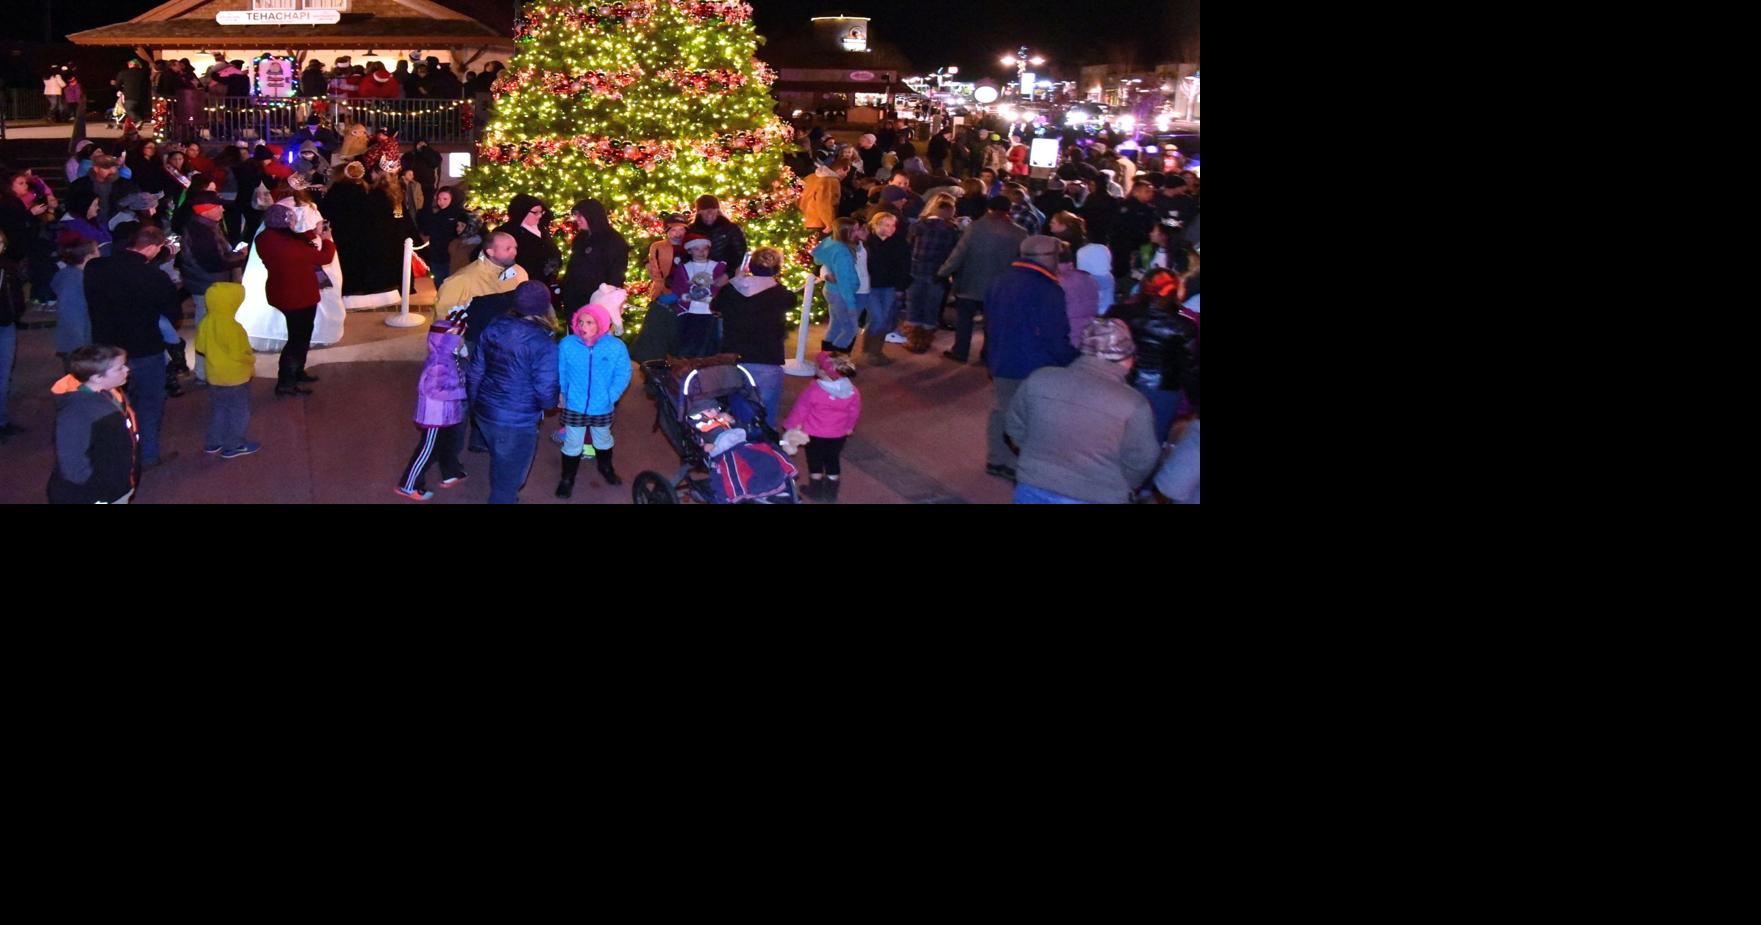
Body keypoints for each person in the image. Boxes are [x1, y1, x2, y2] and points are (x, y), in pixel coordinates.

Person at [1005, 317, 1160, 504]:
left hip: (1032, 486)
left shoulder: (1040, 378)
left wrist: (1037, 460)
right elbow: (1143, 458)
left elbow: (1014, 429)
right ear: (1126, 358)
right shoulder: (1133, 403)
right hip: (1097, 495)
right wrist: (1123, 483)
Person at [982, 235, 1078, 482]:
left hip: (1002, 357)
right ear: (1046, 258)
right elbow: (1055, 333)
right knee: (1030, 417)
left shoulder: (1000, 281)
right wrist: (1070, 359)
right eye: (1056, 256)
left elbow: (990, 323)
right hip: (1034, 363)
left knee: (1003, 409)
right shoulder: (1048, 288)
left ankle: (996, 458)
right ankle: (1018, 465)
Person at [83, 223, 181, 466]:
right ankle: (146, 454)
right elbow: (172, 313)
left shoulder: (95, 268)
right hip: (145, 347)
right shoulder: (154, 277)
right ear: (149, 248)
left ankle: (114, 453)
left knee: (111, 404)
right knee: (149, 403)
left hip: (106, 348)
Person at [467, 281, 559, 504]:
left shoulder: (495, 325)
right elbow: (546, 393)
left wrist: (475, 403)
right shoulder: (543, 342)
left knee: (501, 458)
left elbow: (476, 369)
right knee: (508, 482)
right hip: (517, 421)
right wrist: (551, 403)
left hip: (486, 411)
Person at [254, 203, 337, 397]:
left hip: (281, 292)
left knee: (299, 336)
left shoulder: (265, 238)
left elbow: (293, 239)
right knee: (298, 340)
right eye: (291, 219)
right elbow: (324, 257)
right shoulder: (289, 246)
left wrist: (311, 232)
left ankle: (297, 371)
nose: (294, 222)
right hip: (299, 296)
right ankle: (287, 381)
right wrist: (327, 239)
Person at [554, 290, 632, 496]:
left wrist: (611, 396)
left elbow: (623, 373)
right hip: (574, 404)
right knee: (572, 443)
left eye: (590, 323)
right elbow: (560, 370)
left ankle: (606, 467)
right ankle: (567, 478)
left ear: (602, 325)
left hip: (602, 405)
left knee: (603, 439)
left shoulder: (615, 347)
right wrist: (562, 392)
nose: (584, 327)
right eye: (581, 322)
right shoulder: (567, 345)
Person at [1112, 269, 1198, 445]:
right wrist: (1196, 401)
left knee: (1116, 435)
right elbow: (1190, 368)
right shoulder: (1183, 326)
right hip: (1162, 389)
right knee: (1152, 438)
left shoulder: (1120, 312)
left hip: (1122, 380)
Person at [936, 195, 1026, 364]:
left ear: (989, 208)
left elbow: (959, 253)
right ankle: (987, 355)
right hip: (1000, 287)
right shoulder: (1019, 233)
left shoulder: (975, 227)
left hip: (970, 282)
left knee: (964, 320)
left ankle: (960, 352)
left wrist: (943, 271)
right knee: (992, 323)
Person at [47, 344, 140, 504]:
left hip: (117, 483)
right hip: (95, 494)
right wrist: (99, 493)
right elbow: (72, 464)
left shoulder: (111, 393)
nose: (127, 370)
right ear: (96, 377)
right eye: (120, 368)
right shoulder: (77, 413)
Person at [714, 246, 794, 426]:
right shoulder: (781, 293)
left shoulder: (732, 290)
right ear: (777, 269)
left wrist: (736, 279)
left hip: (733, 356)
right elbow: (791, 300)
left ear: (749, 266)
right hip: (767, 358)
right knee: (764, 412)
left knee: (734, 407)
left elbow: (716, 306)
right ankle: (762, 444)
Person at [393, 316, 471, 501]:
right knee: (427, 449)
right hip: (435, 415)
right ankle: (408, 485)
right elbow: (434, 390)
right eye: (458, 340)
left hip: (446, 413)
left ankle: (451, 472)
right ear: (449, 342)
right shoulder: (440, 363)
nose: (461, 343)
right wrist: (460, 393)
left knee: (445, 444)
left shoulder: (448, 357)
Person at [177, 192, 246, 382]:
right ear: (206, 210)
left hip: (206, 283)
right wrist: (240, 255)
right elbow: (215, 262)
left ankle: (209, 369)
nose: (223, 209)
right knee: (208, 330)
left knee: (209, 328)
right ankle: (204, 372)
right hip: (207, 286)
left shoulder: (205, 226)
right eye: (218, 206)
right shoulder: (202, 232)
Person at [190, 282, 259, 459]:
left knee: (219, 409)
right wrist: (250, 361)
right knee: (239, 412)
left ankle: (214, 442)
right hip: (235, 377)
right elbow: (240, 353)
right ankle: (235, 445)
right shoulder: (233, 327)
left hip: (214, 376)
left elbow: (200, 347)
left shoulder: (205, 321)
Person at [783, 352, 861, 503]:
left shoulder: (814, 390)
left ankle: (815, 490)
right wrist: (849, 427)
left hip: (815, 434)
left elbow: (801, 409)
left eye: (818, 366)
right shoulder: (852, 391)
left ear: (824, 372)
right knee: (832, 459)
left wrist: (790, 426)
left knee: (815, 461)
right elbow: (854, 411)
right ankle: (832, 492)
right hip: (839, 434)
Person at [903, 193, 959, 353]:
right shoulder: (951, 230)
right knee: (931, 307)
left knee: (914, 305)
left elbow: (908, 248)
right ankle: (925, 340)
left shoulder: (918, 226)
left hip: (916, 270)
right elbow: (953, 254)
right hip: (937, 273)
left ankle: (913, 339)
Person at [559, 198, 629, 320]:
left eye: (581, 215)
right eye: (576, 215)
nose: (577, 219)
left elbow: (616, 274)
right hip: (574, 300)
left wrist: (606, 300)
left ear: (592, 216)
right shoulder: (581, 238)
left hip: (597, 302)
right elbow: (573, 267)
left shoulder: (613, 240)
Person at [630, 214, 687, 362]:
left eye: (681, 230)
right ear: (667, 231)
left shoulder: (688, 247)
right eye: (674, 230)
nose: (678, 234)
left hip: (683, 296)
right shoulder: (658, 247)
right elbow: (654, 268)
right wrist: (663, 286)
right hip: (663, 294)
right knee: (656, 330)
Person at [861, 210, 909, 366]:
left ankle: (873, 349)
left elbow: (904, 266)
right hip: (870, 286)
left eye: (893, 225)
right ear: (876, 225)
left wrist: (901, 286)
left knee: (883, 317)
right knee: (878, 318)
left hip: (888, 286)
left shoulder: (899, 243)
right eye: (886, 225)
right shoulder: (867, 243)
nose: (891, 228)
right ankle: (873, 352)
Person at [812, 217, 864, 355]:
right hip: (840, 294)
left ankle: (824, 356)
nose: (858, 232)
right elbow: (844, 282)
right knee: (850, 329)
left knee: (836, 325)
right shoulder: (842, 253)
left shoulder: (831, 242)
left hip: (831, 291)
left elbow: (817, 257)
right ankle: (835, 359)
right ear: (847, 232)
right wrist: (851, 306)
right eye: (855, 229)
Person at [672, 234, 727, 357]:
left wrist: (709, 298)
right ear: (690, 251)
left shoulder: (717, 267)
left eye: (704, 249)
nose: (701, 252)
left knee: (711, 348)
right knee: (689, 348)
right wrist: (688, 297)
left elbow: (721, 289)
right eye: (697, 249)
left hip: (711, 314)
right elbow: (679, 289)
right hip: (690, 313)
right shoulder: (684, 268)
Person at [493, 193, 561, 289]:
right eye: (535, 212)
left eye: (541, 212)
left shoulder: (541, 229)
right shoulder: (505, 232)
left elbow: (553, 251)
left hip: (543, 284)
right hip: (518, 286)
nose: (539, 215)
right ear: (522, 212)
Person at [51, 237, 99, 357]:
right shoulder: (73, 280)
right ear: (88, 256)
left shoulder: (76, 275)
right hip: (78, 345)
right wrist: (80, 349)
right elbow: (72, 317)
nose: (100, 253)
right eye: (97, 250)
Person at [417, 186, 465, 290]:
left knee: (452, 287)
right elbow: (428, 231)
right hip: (437, 257)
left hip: (452, 258)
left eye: (445, 199)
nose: (441, 202)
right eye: (439, 199)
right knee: (439, 284)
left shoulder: (461, 215)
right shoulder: (437, 215)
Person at [686, 194, 747, 270]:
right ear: (699, 212)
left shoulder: (731, 228)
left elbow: (740, 253)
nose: (709, 214)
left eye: (713, 210)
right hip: (698, 273)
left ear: (717, 210)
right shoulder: (691, 230)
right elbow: (686, 254)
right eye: (706, 211)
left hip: (726, 273)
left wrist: (728, 274)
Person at [801, 156, 850, 231]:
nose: (846, 175)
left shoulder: (810, 177)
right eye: (847, 172)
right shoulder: (831, 181)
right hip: (819, 223)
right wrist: (829, 223)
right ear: (841, 169)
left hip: (804, 220)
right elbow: (826, 202)